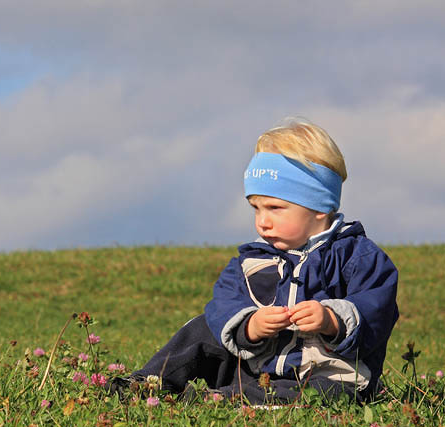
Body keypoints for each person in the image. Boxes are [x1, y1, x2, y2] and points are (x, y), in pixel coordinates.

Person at [108, 119, 399, 404]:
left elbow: (378, 309)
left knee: (324, 393)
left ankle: (225, 399)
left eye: (275, 208)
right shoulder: (252, 260)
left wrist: (332, 320)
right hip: (258, 367)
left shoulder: (358, 257)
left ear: (319, 207)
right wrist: (249, 327)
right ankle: (150, 381)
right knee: (204, 326)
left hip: (328, 375)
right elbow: (224, 303)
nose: (263, 222)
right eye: (255, 208)